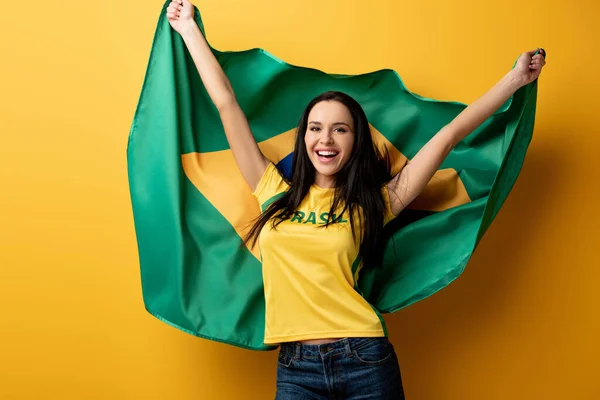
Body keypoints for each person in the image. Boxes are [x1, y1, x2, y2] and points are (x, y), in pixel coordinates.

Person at [166, 1, 546, 398]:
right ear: (304, 138)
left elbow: (448, 136)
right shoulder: (270, 190)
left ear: (355, 140)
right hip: (296, 368)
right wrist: (189, 29)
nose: (325, 139)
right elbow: (226, 104)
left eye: (339, 130)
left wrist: (515, 79)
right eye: (315, 128)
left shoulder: (376, 203)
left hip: (365, 358)